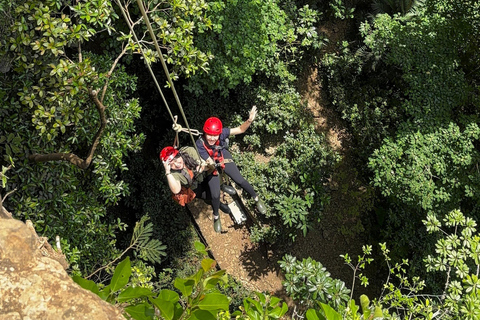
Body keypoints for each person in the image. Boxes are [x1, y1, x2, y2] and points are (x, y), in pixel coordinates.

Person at [195, 105, 266, 216]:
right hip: (210, 162)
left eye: (215, 136)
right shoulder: (200, 143)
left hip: (222, 154)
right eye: (209, 135)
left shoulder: (222, 133)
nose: (212, 138)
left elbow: (240, 129)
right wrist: (208, 164)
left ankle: (256, 198)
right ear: (205, 133)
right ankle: (216, 215)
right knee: (215, 194)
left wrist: (249, 120)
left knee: (239, 180)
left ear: (219, 133)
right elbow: (210, 162)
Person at [160, 145, 231, 233]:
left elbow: (204, 162)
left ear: (179, 154)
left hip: (205, 174)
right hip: (195, 186)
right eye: (172, 165)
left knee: (215, 177)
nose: (177, 165)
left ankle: (222, 186)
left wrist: (201, 166)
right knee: (208, 197)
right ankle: (218, 205)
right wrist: (167, 172)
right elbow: (176, 190)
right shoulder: (173, 174)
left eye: (176, 160)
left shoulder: (188, 151)